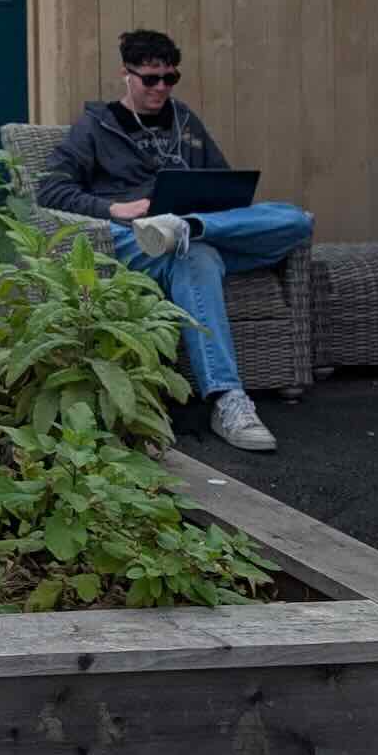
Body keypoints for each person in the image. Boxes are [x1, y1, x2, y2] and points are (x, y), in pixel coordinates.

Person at [34, 27, 313, 453]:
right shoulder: (96, 126)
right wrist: (115, 210)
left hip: (193, 230)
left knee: (295, 220)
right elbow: (50, 189)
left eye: (170, 79)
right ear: (126, 75)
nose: (161, 88)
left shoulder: (186, 122)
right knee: (196, 258)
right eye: (151, 79)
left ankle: (188, 228)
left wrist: (202, 214)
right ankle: (228, 400)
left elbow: (222, 183)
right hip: (134, 237)